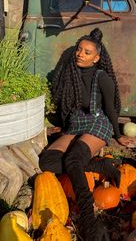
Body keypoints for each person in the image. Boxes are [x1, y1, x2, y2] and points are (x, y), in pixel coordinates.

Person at [39, 28, 130, 241]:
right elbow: (68, 106)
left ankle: (89, 219)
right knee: (47, 161)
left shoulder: (102, 77)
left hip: (99, 122)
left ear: (97, 58)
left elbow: (111, 108)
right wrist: (64, 129)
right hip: (77, 123)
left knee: (72, 159)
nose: (80, 54)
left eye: (87, 52)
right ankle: (100, 166)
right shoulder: (69, 74)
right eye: (79, 49)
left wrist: (117, 134)